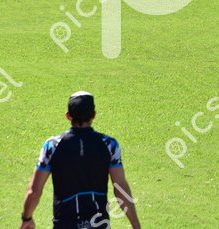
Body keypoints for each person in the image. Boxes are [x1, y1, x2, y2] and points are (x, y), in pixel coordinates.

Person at [20, 92, 141, 229]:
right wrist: (135, 225)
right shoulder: (110, 145)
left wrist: (26, 218)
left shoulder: (52, 146)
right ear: (93, 115)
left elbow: (34, 191)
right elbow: (120, 188)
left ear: (68, 116)